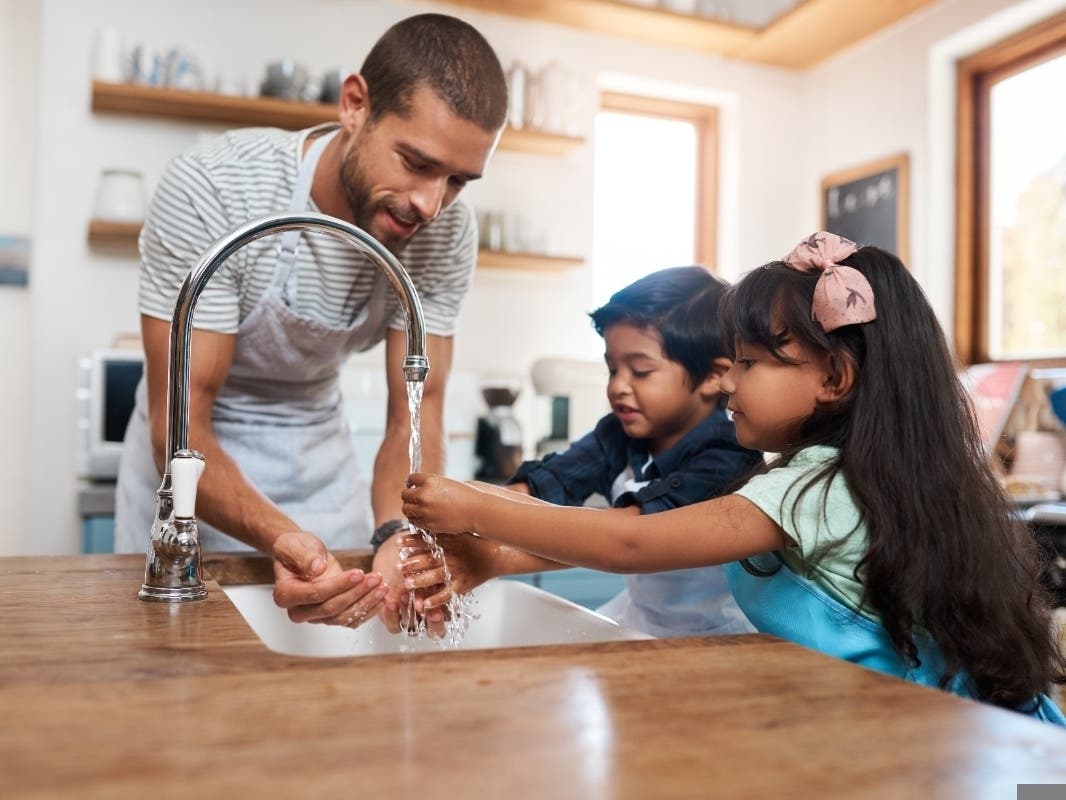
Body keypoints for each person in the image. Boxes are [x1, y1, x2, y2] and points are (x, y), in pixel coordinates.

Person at [401, 232, 1066, 723]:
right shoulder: (855, 479)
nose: (730, 383)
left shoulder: (807, 490)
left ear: (834, 378)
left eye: (748, 364)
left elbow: (629, 542)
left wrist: (473, 506)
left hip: (939, 739)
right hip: (925, 728)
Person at [114, 13, 508, 632]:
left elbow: (416, 413)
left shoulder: (444, 234)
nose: (431, 204)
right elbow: (181, 425)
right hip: (187, 474)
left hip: (318, 459)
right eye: (415, 163)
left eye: (458, 181)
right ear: (355, 105)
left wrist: (399, 537)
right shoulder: (217, 188)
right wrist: (282, 536)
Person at [402, 266, 763, 637]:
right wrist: (457, 508)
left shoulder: (727, 453)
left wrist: (478, 521)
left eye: (640, 371)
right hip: (641, 618)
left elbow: (627, 538)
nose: (618, 386)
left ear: (713, 377)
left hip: (720, 637)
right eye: (611, 369)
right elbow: (542, 489)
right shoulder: (619, 434)